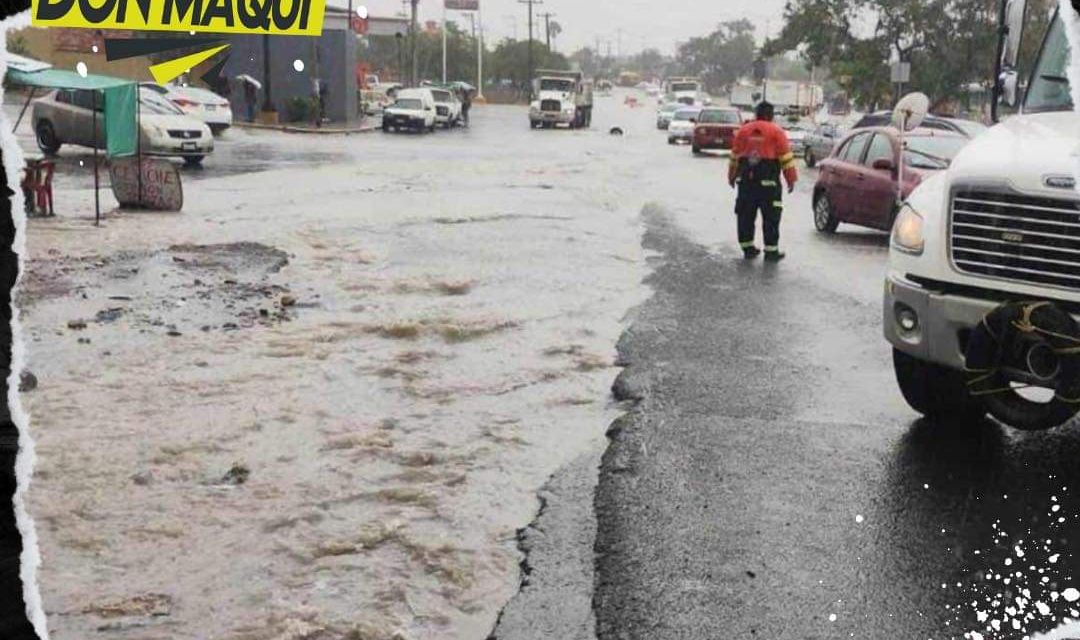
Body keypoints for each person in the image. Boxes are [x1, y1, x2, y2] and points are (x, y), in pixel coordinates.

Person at [727, 100, 798, 262]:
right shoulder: (776, 132)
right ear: (770, 115)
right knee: (771, 217)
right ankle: (771, 251)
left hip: (747, 183)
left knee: (745, 215)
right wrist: (791, 179)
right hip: (769, 184)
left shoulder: (743, 131)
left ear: (756, 114)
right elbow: (786, 159)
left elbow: (734, 157)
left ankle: (747, 248)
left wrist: (731, 176)